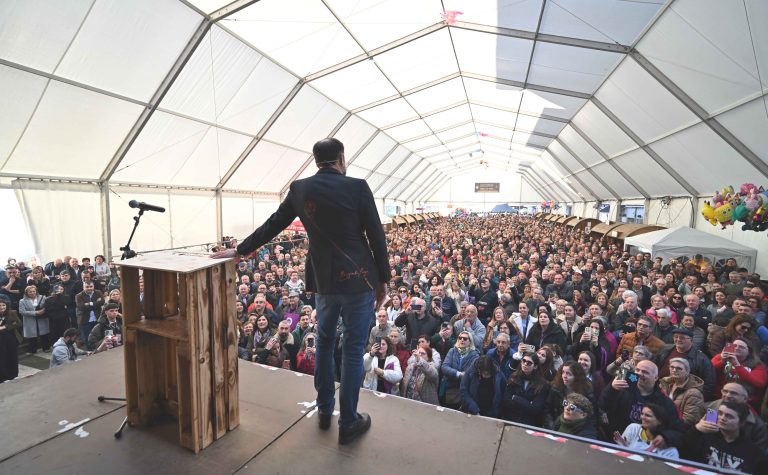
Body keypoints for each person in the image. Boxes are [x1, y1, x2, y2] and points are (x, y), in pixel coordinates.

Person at [213, 138, 390, 444]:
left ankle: (324, 410)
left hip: (323, 281)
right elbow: (376, 235)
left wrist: (240, 250)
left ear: (316, 160)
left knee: (323, 342)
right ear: (342, 159)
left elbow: (273, 224)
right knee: (351, 350)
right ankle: (348, 421)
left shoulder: (299, 189)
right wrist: (383, 279)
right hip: (359, 280)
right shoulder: (358, 187)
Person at [599, 360, 686, 449]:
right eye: (637, 370)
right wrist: (612, 389)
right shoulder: (623, 386)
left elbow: (679, 430)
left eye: (645, 372)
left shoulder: (664, 401)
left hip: (644, 449)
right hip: (614, 442)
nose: (640, 374)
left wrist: (665, 437)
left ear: (655, 377)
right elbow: (603, 406)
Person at [681, 401, 767, 473]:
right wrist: (696, 430)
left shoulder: (752, 451)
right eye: (720, 413)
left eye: (729, 416)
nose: (722, 418)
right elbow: (683, 453)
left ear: (741, 423)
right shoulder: (704, 436)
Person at [711, 337, 767, 410]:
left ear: (749, 352)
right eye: (734, 345)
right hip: (719, 398)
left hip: (741, 403)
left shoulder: (757, 365)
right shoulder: (720, 357)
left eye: (741, 347)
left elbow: (759, 383)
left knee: (732, 416)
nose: (737, 348)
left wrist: (737, 365)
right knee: (711, 414)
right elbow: (708, 373)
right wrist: (722, 362)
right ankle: (711, 420)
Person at [501, 351, 550, 427]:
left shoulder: (543, 384)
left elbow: (535, 409)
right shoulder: (514, 377)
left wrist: (516, 398)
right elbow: (506, 401)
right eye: (523, 361)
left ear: (535, 366)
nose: (525, 364)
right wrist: (528, 403)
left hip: (529, 424)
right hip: (511, 420)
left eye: (529, 363)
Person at [613, 403, 680, 459]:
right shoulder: (633, 428)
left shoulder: (671, 451)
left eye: (647, 415)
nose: (642, 417)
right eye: (642, 414)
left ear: (660, 421)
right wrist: (624, 447)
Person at [658, 358, 705, 425]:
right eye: (672, 367)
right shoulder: (665, 384)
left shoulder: (694, 393)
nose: (674, 370)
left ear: (687, 371)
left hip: (677, 429)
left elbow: (689, 421)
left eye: (679, 368)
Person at [441, 330, 480, 409]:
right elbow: (444, 367)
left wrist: (454, 373)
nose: (462, 340)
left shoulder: (475, 355)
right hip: (450, 389)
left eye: (465, 339)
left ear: (470, 341)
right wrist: (459, 374)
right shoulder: (452, 351)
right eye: (460, 338)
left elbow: (470, 373)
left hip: (465, 391)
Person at [19, 285, 50, 354]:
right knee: (32, 337)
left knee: (44, 334)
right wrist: (36, 313)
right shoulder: (22, 301)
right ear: (26, 292)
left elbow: (47, 306)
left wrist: (43, 310)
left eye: (34, 291)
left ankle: (46, 347)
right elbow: (22, 312)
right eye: (30, 292)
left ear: (36, 291)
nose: (32, 293)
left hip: (42, 319)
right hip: (30, 320)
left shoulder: (43, 297)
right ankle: (32, 350)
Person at [0, 300, 22, 382]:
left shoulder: (12, 312)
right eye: (0, 305)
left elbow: (19, 323)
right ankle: (4, 377)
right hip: (1, 340)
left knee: (13, 357)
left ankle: (13, 375)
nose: (2, 307)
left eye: (3, 305)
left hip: (11, 338)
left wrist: (5, 327)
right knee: (2, 358)